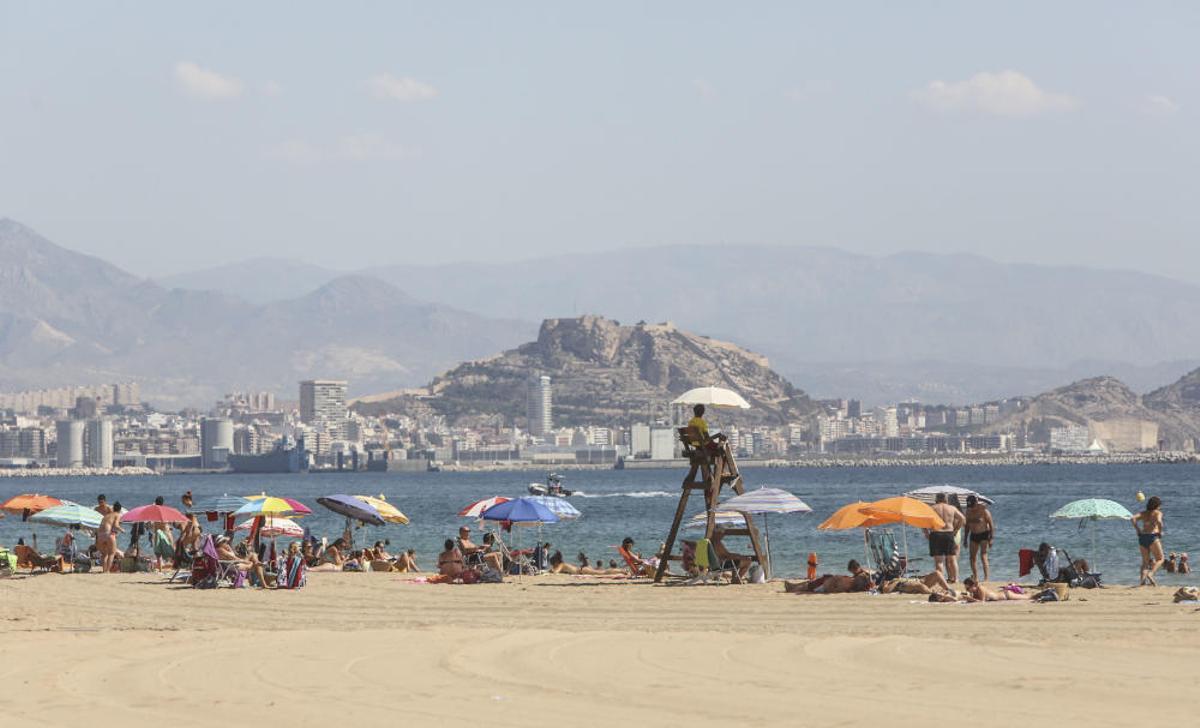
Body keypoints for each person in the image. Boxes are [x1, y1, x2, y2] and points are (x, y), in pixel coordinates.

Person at [928, 493, 965, 583]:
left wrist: (926, 532)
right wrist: (956, 530)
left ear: (936, 499)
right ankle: (956, 579)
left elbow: (924, 520)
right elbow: (962, 519)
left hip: (936, 533)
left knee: (939, 561)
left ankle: (942, 580)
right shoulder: (952, 508)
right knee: (952, 559)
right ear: (946, 500)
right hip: (949, 533)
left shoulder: (932, 508)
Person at [784, 560, 872, 594]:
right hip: (833, 583)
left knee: (812, 585)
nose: (852, 572)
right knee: (816, 582)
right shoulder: (862, 575)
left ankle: (792, 588)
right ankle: (793, 586)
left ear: (855, 568)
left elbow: (852, 587)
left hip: (831, 585)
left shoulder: (860, 577)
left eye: (852, 571)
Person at [1132, 495, 1165, 586]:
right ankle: (1151, 574)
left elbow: (1133, 518)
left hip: (1142, 537)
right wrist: (1160, 532)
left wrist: (1138, 530)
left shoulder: (1143, 513)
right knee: (1160, 559)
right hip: (1152, 536)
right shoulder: (1158, 513)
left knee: (1145, 562)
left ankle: (1142, 582)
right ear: (1157, 505)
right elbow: (1159, 522)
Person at [964, 495, 995, 582]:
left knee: (983, 555)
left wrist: (991, 538)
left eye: (972, 506)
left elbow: (991, 525)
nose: (971, 508)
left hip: (984, 534)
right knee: (972, 557)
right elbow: (967, 526)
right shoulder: (968, 511)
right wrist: (965, 539)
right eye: (970, 506)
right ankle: (976, 577)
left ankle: (986, 578)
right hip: (973, 535)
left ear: (976, 503)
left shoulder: (984, 511)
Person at [96, 502, 124, 572]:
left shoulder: (106, 515)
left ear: (113, 508)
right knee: (112, 553)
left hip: (100, 535)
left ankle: (104, 570)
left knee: (104, 554)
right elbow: (116, 525)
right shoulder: (117, 515)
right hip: (108, 534)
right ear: (120, 510)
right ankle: (108, 570)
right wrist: (122, 530)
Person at [880, 570, 954, 596]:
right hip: (904, 585)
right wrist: (894, 581)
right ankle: (937, 594)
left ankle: (949, 590)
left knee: (937, 573)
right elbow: (886, 590)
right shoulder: (891, 581)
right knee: (919, 586)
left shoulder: (895, 576)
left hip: (916, 579)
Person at [961, 577, 1029, 602]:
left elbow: (982, 601)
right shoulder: (974, 591)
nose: (967, 590)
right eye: (966, 588)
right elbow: (976, 599)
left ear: (974, 585)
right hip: (1003, 594)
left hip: (1006, 595)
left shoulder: (980, 589)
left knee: (1028, 597)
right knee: (1026, 596)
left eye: (968, 588)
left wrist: (970, 599)